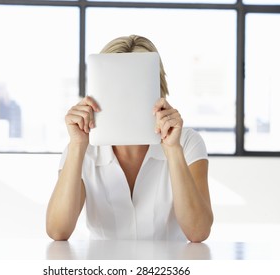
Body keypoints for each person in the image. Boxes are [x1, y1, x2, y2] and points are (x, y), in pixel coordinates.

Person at [46, 35, 213, 242]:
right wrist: (77, 146)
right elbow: (57, 230)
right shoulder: (81, 148)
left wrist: (172, 149)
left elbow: (199, 232)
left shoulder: (187, 142)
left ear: (157, 87)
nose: (126, 99)